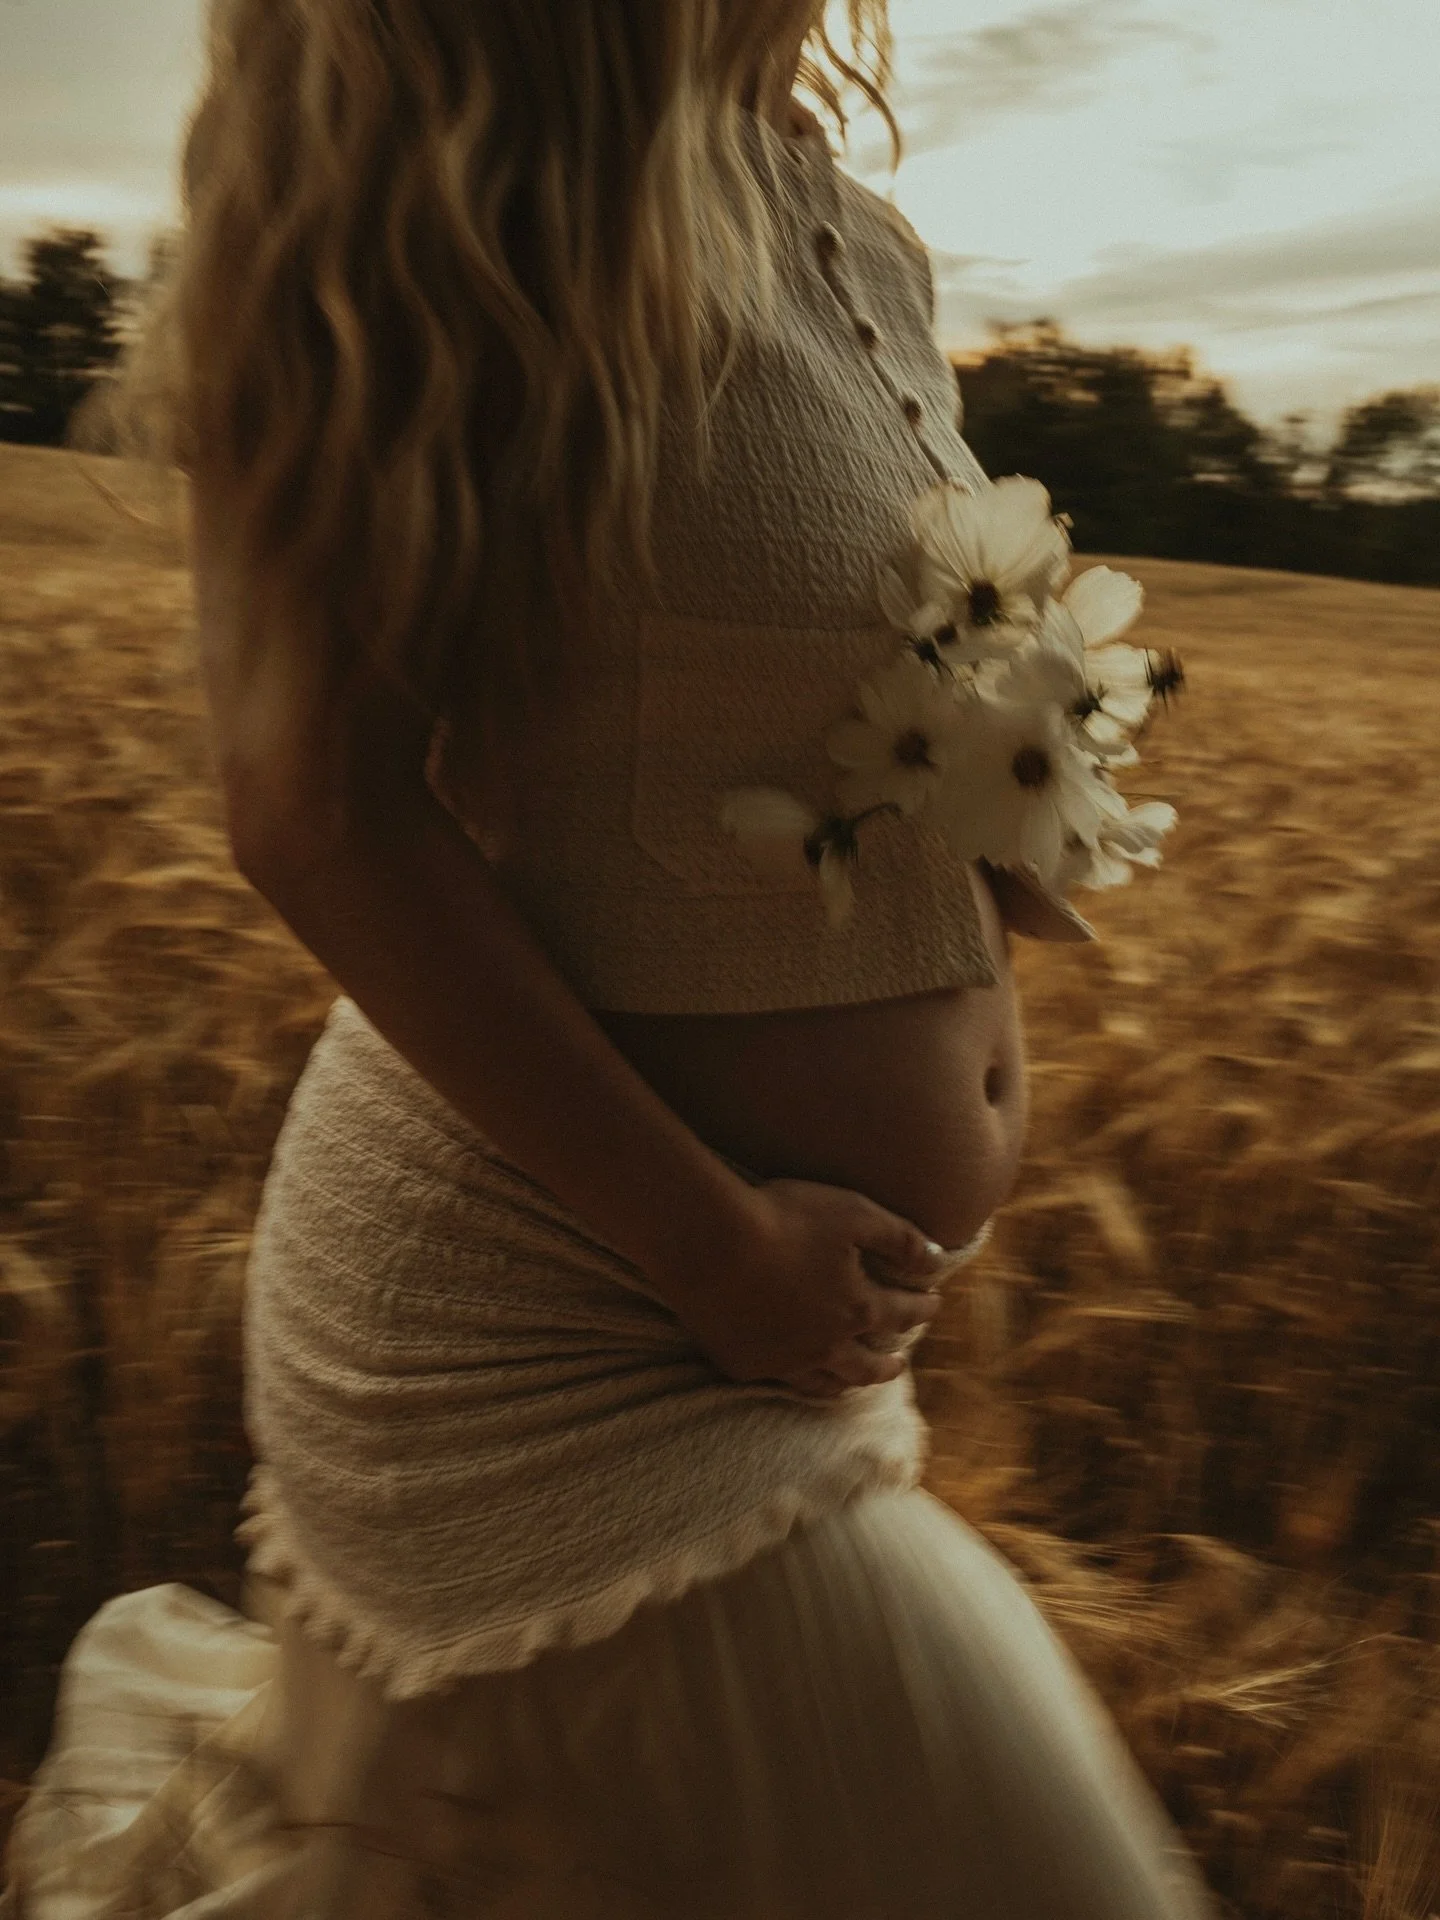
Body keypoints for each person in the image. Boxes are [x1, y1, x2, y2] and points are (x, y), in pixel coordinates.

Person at [1, 2, 1217, 1914]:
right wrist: (711, 1245)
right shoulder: (435, 172)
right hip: (549, 1334)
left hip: (787, 1355)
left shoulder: (850, 226)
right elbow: (314, 803)